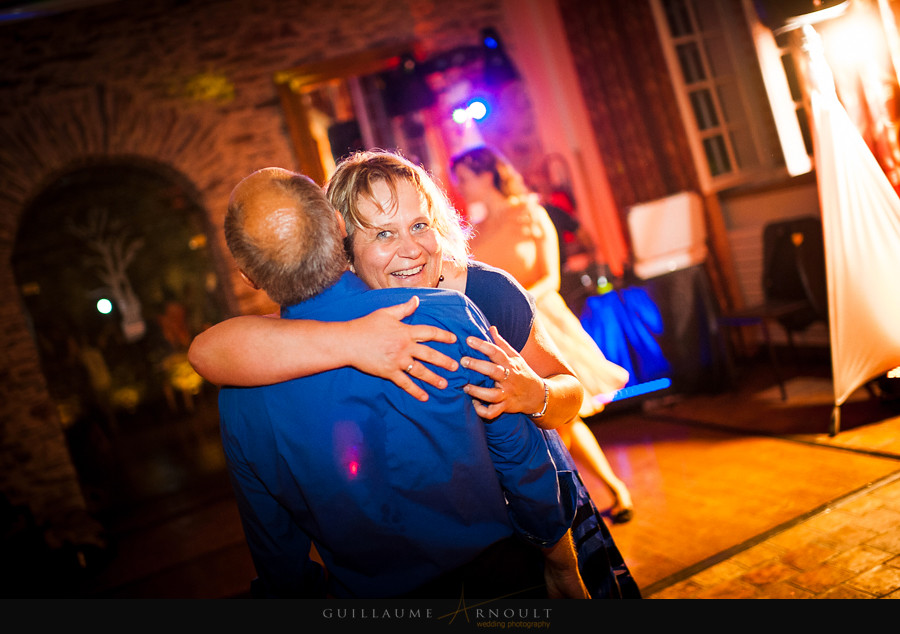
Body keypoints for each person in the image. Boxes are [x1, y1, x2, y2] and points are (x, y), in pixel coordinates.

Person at [190, 151, 640, 598]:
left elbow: (275, 545)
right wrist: (552, 552)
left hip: (535, 525)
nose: (411, 248)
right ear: (341, 238)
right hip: (513, 553)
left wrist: (535, 394)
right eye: (384, 232)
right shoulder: (283, 350)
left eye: (420, 224)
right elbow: (209, 349)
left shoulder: (481, 294)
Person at [450, 145, 635, 524]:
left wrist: (513, 302)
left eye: (465, 177)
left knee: (561, 413)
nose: (460, 185)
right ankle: (592, 496)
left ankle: (574, 502)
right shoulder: (478, 230)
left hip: (542, 320)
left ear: (487, 174)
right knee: (557, 419)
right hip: (502, 333)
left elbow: (552, 275)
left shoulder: (532, 213)